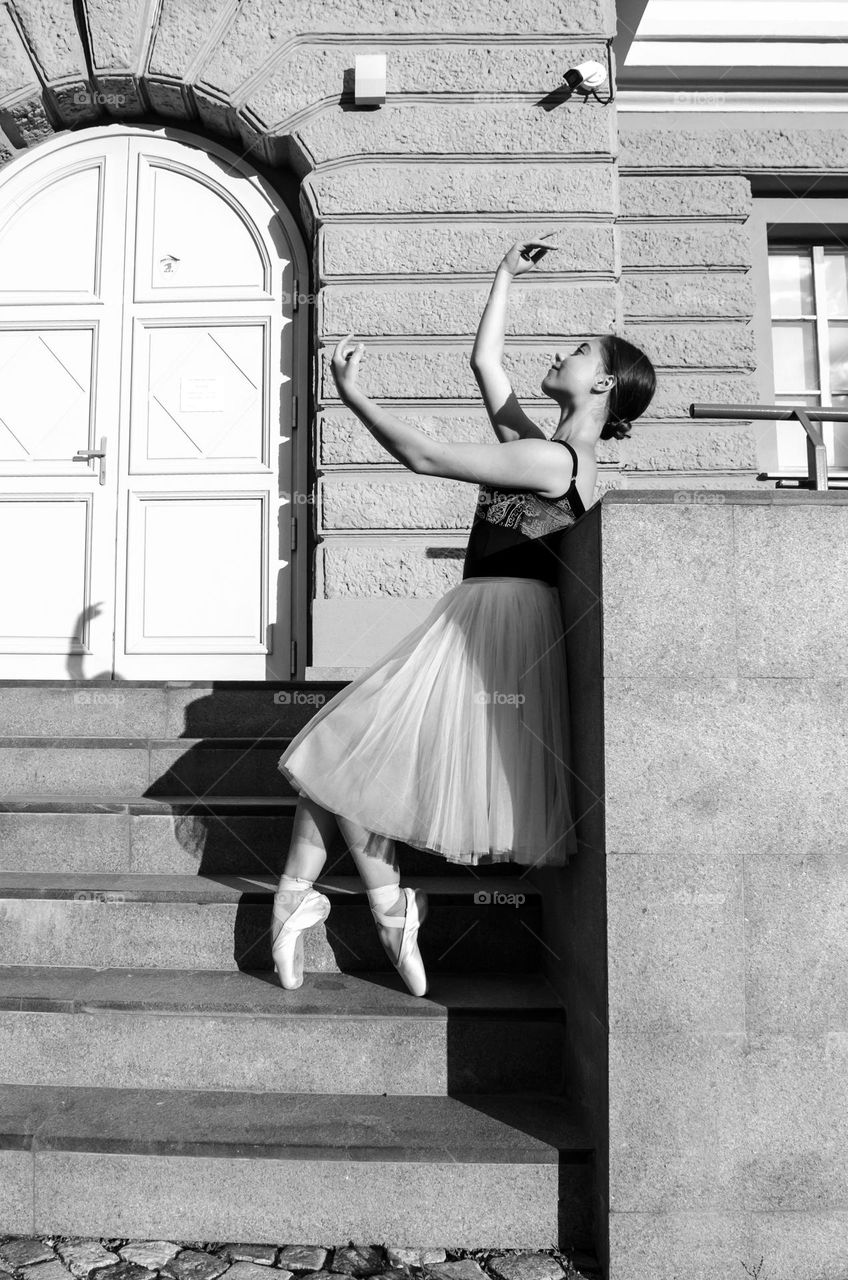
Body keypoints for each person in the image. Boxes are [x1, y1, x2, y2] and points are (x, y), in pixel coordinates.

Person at [271, 232, 657, 997]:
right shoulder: (543, 447)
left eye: (578, 352)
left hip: (492, 628)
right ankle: (324, 907)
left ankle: (372, 907)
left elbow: (425, 458)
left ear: (605, 384)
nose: (562, 355)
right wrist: (502, 276)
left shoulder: (554, 464)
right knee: (343, 762)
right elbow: (486, 367)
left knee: (345, 754)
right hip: (486, 618)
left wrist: (353, 398)